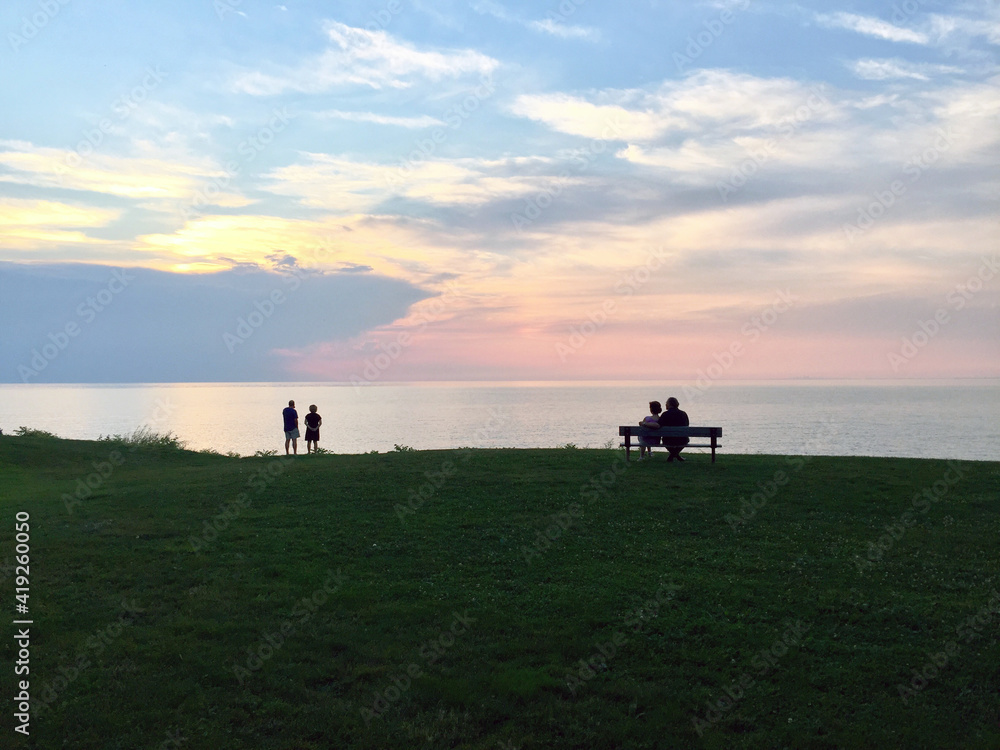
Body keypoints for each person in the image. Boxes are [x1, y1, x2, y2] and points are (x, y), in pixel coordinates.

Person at [658, 396, 690, 462]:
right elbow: (687, 425)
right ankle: (675, 455)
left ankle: (672, 456)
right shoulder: (683, 414)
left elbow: (659, 425)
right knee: (686, 440)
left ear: (669, 405)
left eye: (666, 403)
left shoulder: (665, 414)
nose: (665, 404)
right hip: (682, 440)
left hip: (668, 440)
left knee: (665, 440)